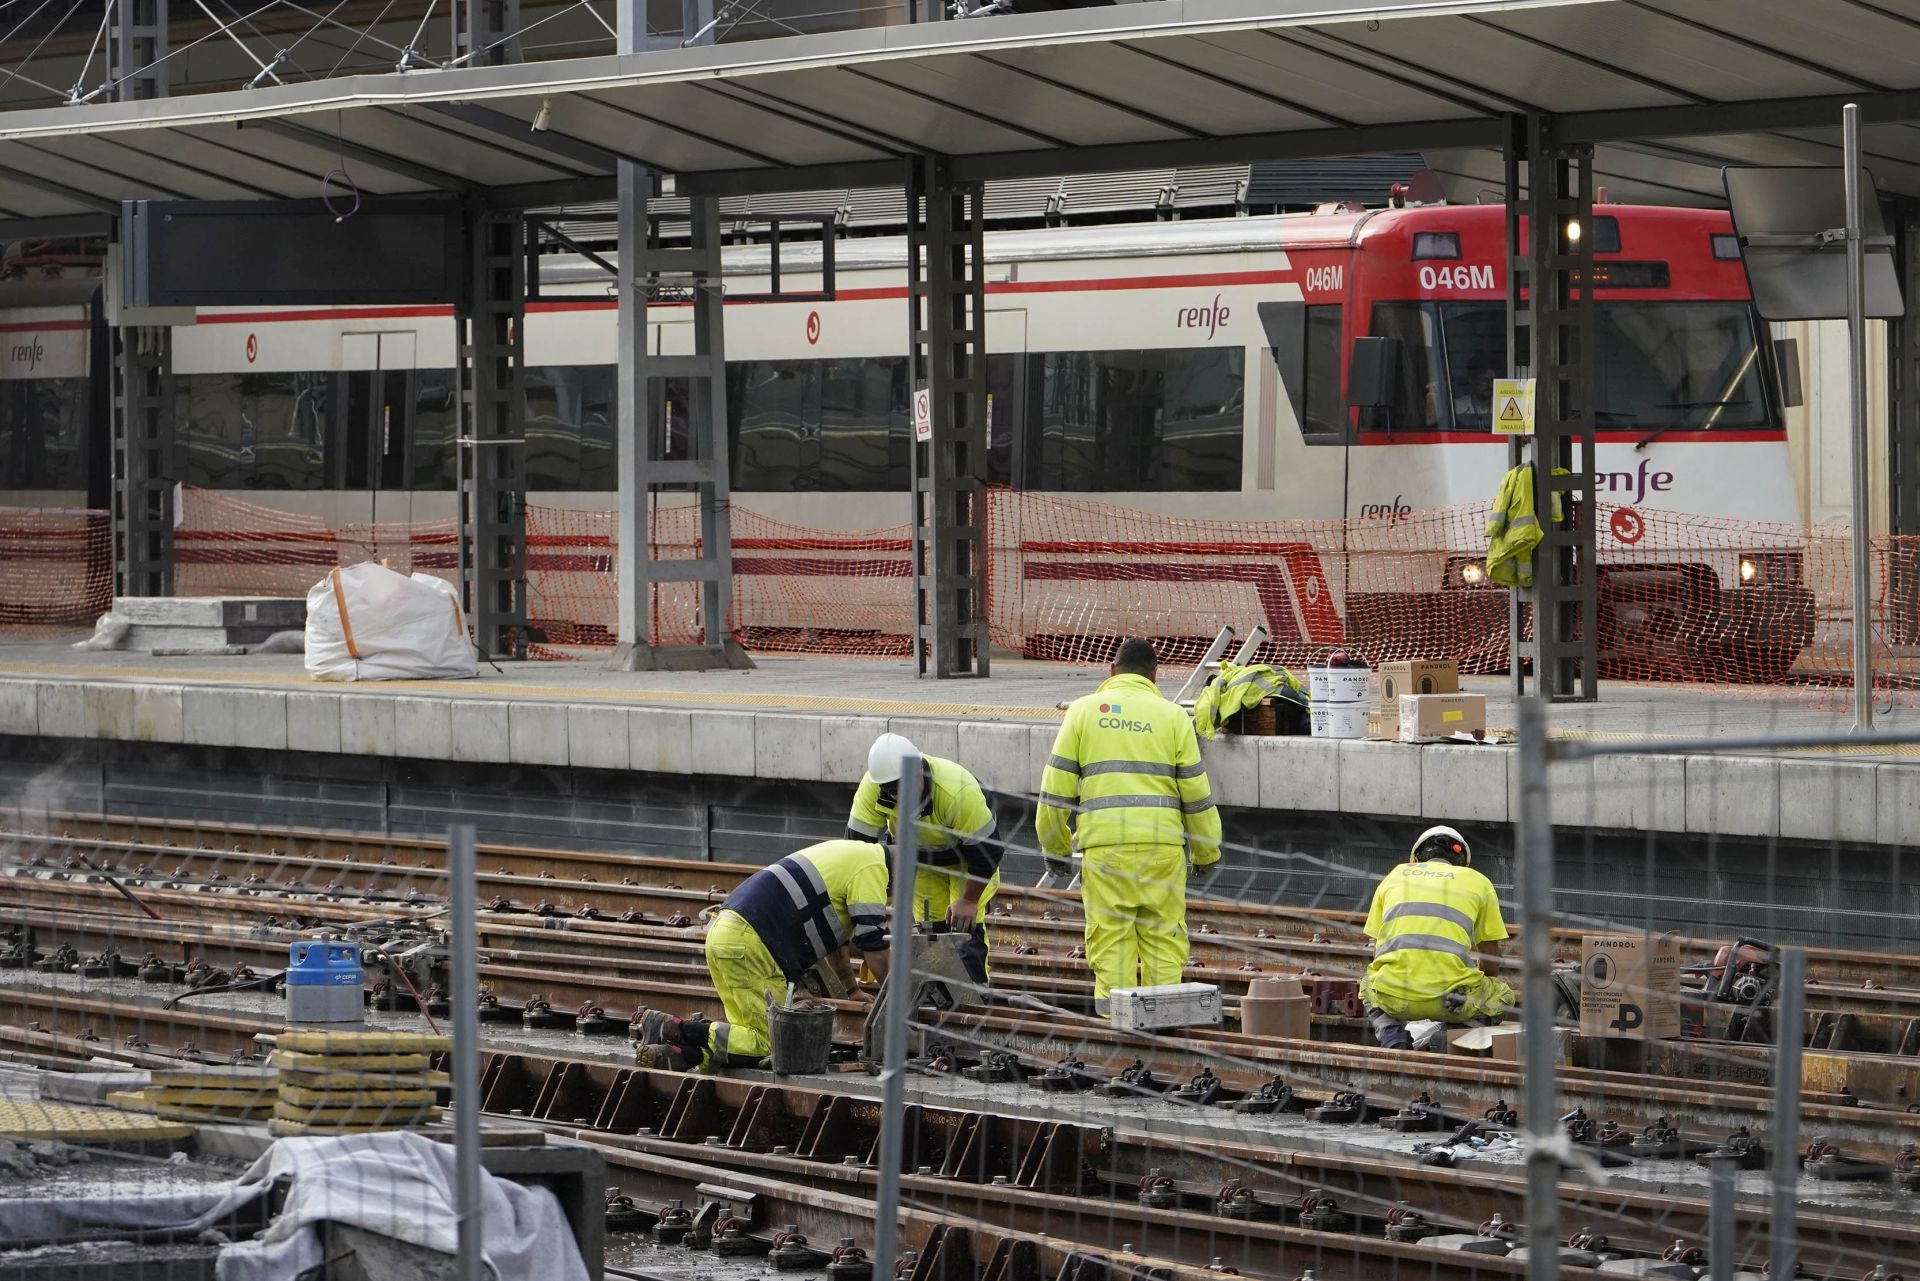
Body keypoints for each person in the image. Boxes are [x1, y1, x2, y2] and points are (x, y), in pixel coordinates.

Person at [1038, 637, 1221, 1015]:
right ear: (1154, 675)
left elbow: (1054, 792)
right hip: (1162, 850)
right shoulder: (1173, 717)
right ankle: (1165, 1024)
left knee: (1111, 940)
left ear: (1111, 671)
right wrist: (1206, 851)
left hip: (1106, 851)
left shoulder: (1083, 712)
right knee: (1164, 938)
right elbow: (1196, 794)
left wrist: (1055, 847)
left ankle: (1116, 1024)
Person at [634, 838, 890, 1071]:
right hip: (752, 944)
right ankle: (679, 1029)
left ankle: (685, 1054)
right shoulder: (872, 868)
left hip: (725, 932)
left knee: (743, 1036)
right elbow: (874, 945)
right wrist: (897, 1004)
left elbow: (837, 940)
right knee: (776, 1042)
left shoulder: (851, 854)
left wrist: (851, 989)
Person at [847, 733, 1002, 984]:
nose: (904, 794)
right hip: (921, 858)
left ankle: (974, 996)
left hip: (968, 859)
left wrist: (969, 900)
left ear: (920, 771)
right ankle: (935, 993)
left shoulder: (956, 792)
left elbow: (989, 850)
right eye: (895, 790)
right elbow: (857, 849)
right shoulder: (873, 789)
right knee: (929, 933)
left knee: (963, 931)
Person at [1359, 825, 1516, 1051]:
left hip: (1395, 996)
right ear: (1462, 862)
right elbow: (1491, 966)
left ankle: (1392, 1037)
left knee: (1367, 985)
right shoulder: (1478, 881)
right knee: (1504, 997)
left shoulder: (1394, 877)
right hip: (1453, 1001)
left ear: (1416, 858)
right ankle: (1448, 1037)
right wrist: (1468, 982)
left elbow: (1377, 957)